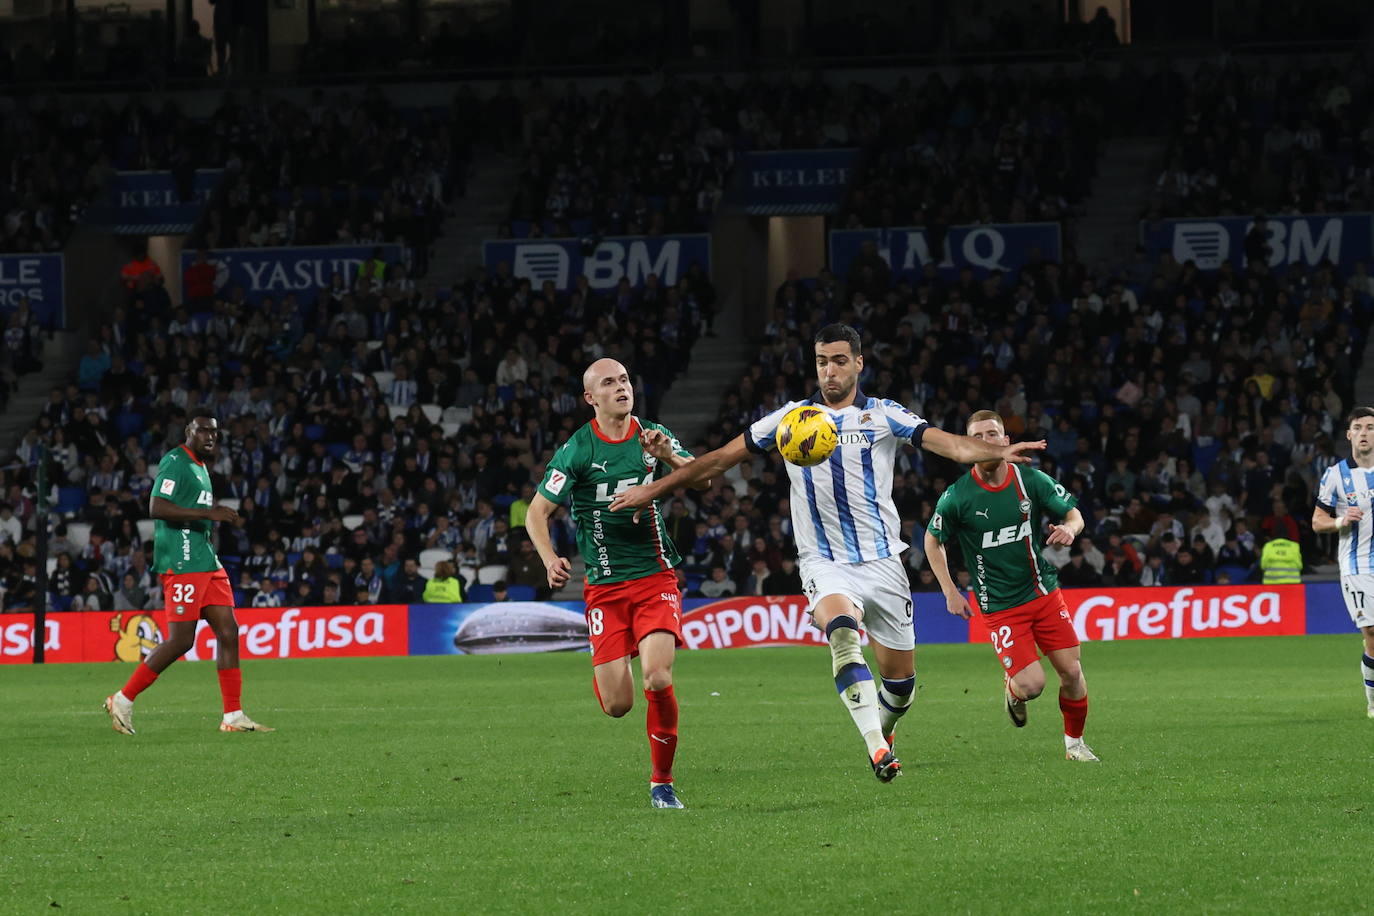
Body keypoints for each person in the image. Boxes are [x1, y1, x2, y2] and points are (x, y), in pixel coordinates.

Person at [610, 325, 1045, 781]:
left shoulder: (883, 416)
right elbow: (718, 460)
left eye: (839, 360)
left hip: (883, 563)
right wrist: (654, 488)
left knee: (900, 687)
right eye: (822, 361)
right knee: (841, 631)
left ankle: (885, 727)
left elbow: (952, 445)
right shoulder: (789, 419)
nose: (830, 370)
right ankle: (877, 749)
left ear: (859, 363)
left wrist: (995, 449)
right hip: (824, 561)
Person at [524, 358, 702, 809]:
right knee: (618, 704)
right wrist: (549, 559)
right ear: (591, 398)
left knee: (658, 678)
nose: (621, 387)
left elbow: (700, 476)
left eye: (624, 379)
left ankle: (662, 782)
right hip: (604, 586)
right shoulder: (578, 450)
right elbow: (536, 512)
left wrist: (668, 457)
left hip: (654, 575)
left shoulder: (652, 436)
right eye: (609, 383)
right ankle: (607, 670)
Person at [922, 410, 1099, 762]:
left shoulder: (1029, 480)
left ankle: (1074, 745)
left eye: (993, 434)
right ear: (968, 444)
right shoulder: (958, 496)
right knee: (1033, 685)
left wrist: (1070, 530)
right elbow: (932, 540)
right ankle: (1013, 690)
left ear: (1005, 440)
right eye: (978, 436)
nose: (986, 441)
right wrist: (950, 591)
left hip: (1043, 593)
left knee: (1072, 672)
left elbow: (1074, 514)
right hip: (1001, 606)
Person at [104, 410, 272, 735]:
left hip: (206, 560)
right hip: (182, 563)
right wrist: (209, 514)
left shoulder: (201, 467)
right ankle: (123, 699)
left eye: (215, 432)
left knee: (228, 632)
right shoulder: (175, 462)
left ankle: (233, 715)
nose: (210, 437)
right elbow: (157, 507)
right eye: (203, 431)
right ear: (188, 432)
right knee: (181, 640)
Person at [1312, 407, 1374, 718]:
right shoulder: (1336, 474)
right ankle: (1373, 703)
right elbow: (1316, 521)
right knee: (1373, 633)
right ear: (1349, 434)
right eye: (1359, 427)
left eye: (1371, 427)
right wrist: (1339, 521)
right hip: (1357, 565)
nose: (1365, 433)